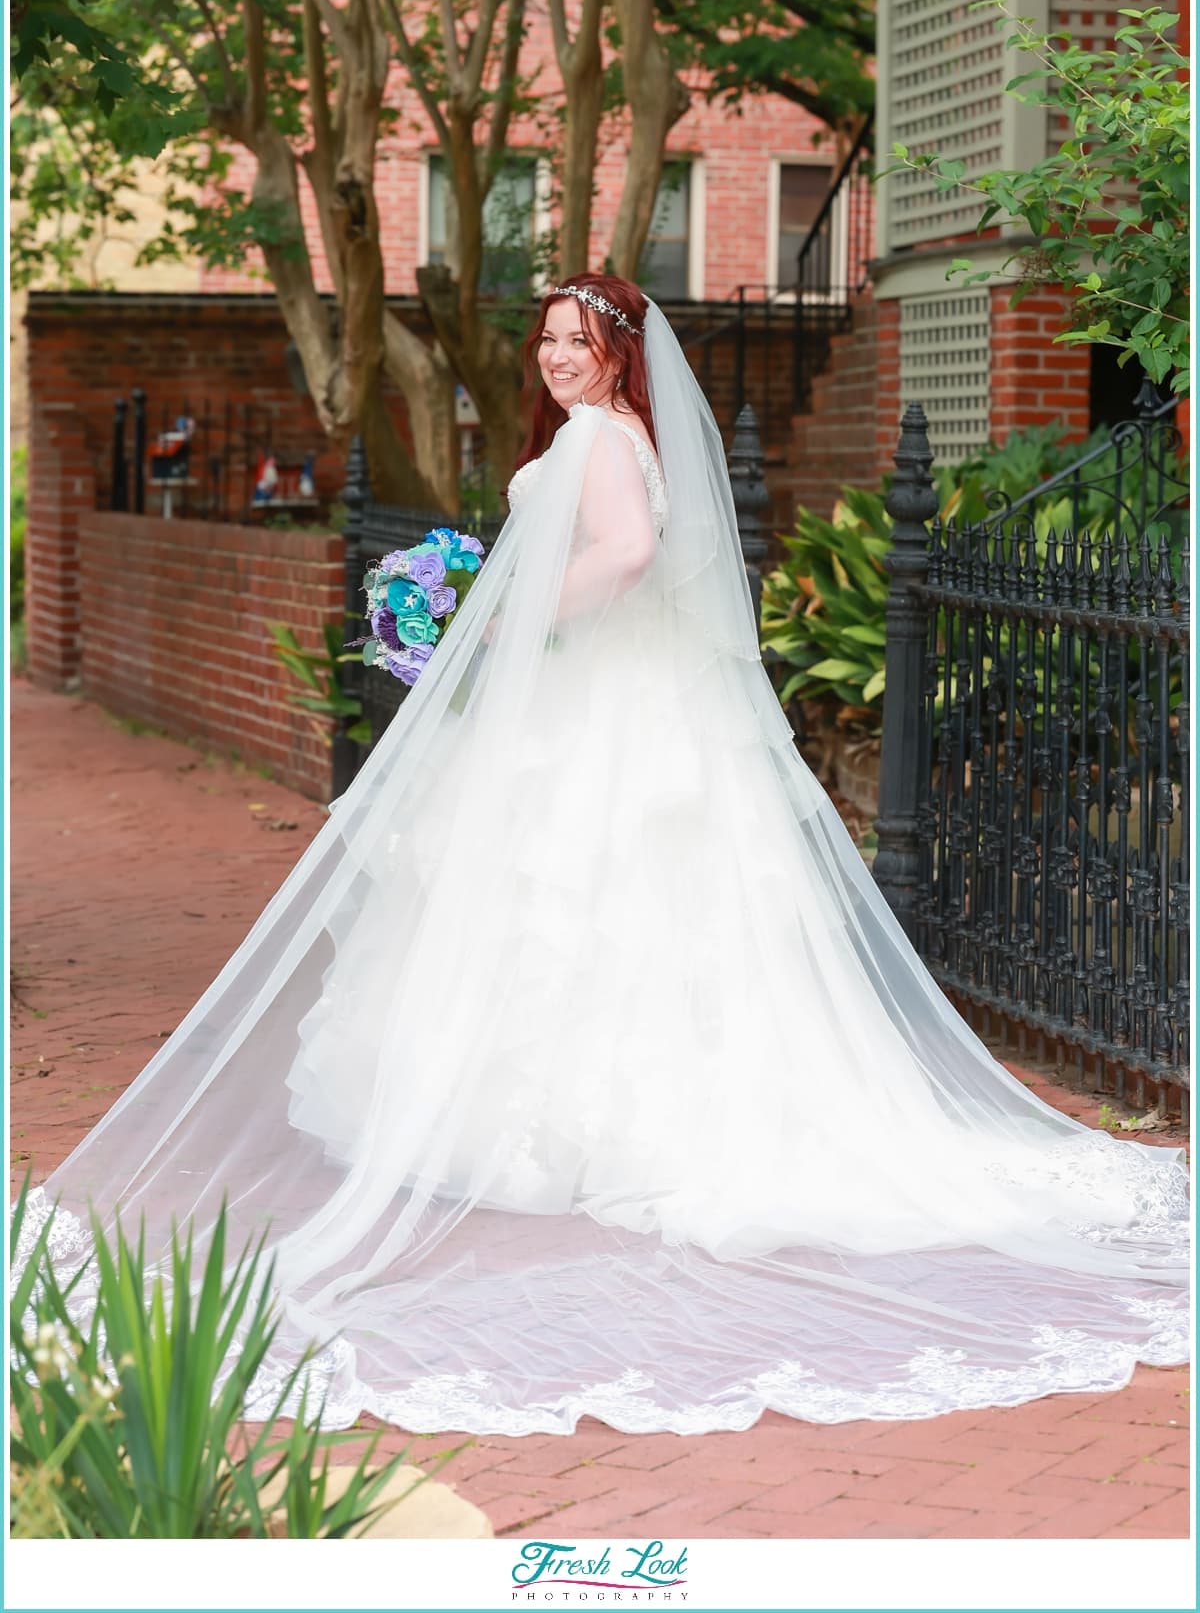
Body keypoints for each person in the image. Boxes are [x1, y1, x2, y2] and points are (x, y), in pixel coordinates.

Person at [18, 277, 1189, 1436]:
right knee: (600, 904)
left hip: (605, 708)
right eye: (545, 336)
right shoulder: (613, 434)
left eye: (578, 341)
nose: (554, 356)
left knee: (587, 892)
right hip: (613, 696)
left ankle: (594, 1128)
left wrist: (508, 609)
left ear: (623, 354)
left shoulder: (602, 439)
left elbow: (623, 557)